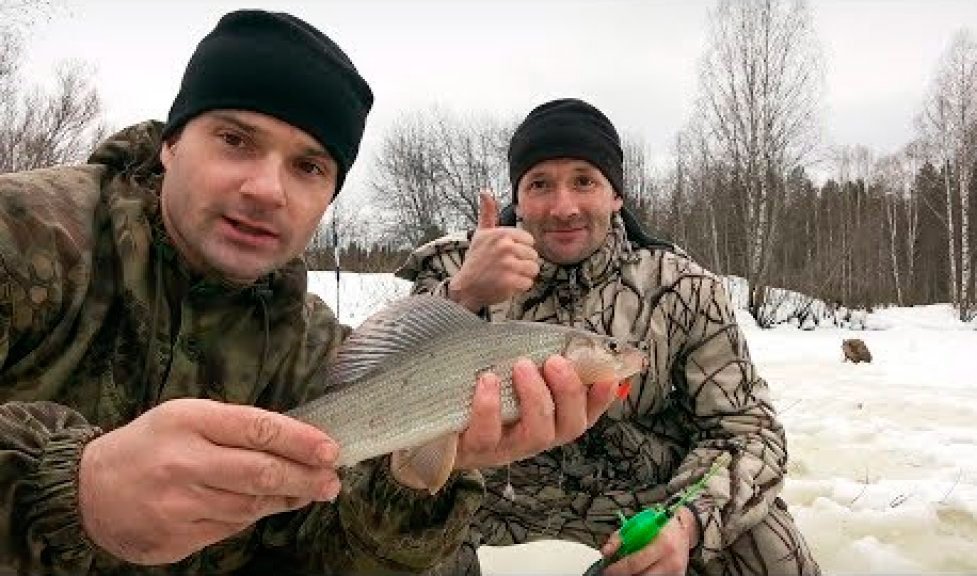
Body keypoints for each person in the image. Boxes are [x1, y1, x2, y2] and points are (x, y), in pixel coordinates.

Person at [0, 14, 617, 575]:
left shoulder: (318, 351)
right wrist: (72, 491)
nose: (267, 188)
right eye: (235, 140)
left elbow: (325, 556)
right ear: (171, 142)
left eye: (309, 167)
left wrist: (421, 479)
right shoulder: (24, 236)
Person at [398, 98, 819, 575]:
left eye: (584, 181)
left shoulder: (682, 288)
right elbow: (388, 391)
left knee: (774, 551)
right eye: (540, 184)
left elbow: (748, 429)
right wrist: (464, 293)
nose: (563, 207)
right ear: (518, 196)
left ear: (616, 194)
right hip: (489, 499)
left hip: (644, 501)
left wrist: (684, 523)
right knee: (395, 537)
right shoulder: (460, 268)